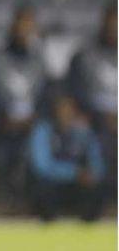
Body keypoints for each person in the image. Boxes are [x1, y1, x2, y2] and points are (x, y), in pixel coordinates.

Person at [0, 3, 49, 199]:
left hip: (31, 128)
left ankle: (33, 202)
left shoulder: (40, 62)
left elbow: (46, 100)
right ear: (12, 26)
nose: (23, 30)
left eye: (28, 25)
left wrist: (36, 120)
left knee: (38, 148)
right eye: (20, 23)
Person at [28, 94, 106, 222]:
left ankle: (88, 226)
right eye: (62, 109)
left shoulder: (84, 132)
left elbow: (98, 164)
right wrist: (75, 173)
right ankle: (48, 224)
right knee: (42, 188)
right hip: (53, 184)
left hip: (77, 185)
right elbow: (43, 166)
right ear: (54, 111)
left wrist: (92, 174)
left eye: (70, 109)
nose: (66, 113)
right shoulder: (43, 131)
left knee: (97, 187)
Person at [66, 1, 117, 185]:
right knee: (81, 134)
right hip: (92, 121)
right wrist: (98, 115)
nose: (114, 29)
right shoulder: (85, 56)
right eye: (111, 24)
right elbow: (72, 95)